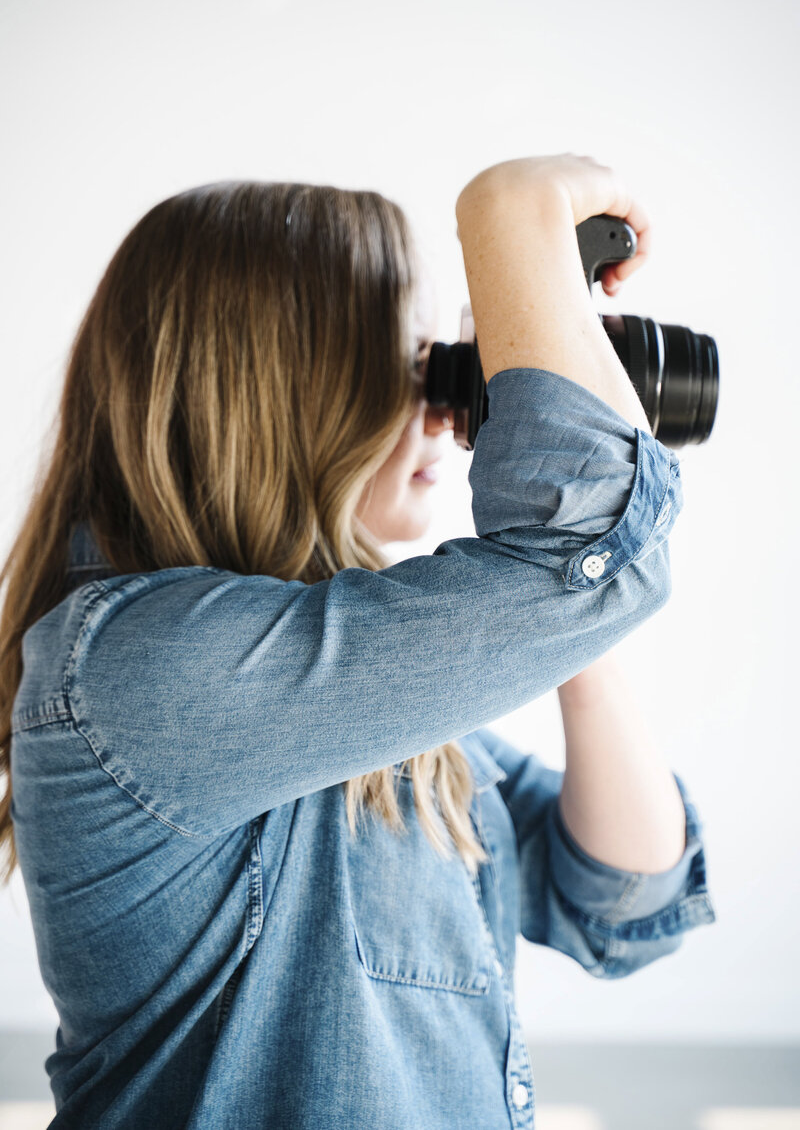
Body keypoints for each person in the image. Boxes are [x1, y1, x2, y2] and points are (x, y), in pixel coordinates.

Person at [0, 155, 717, 1129]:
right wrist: (512, 220)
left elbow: (626, 902)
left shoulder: (378, 714)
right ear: (286, 391)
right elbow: (589, 557)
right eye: (407, 365)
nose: (440, 406)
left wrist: (561, 626)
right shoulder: (143, 669)